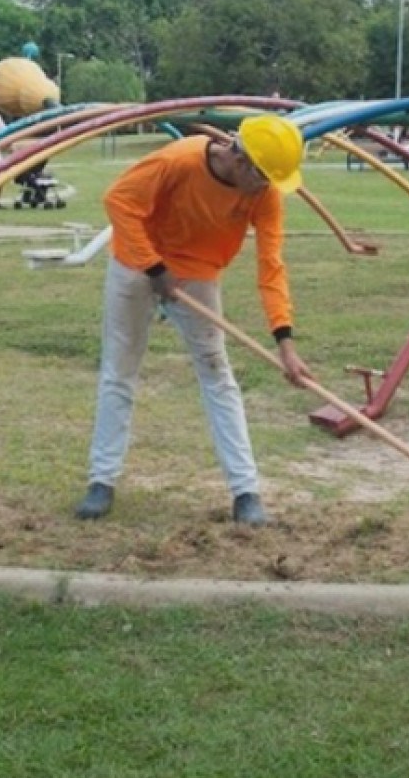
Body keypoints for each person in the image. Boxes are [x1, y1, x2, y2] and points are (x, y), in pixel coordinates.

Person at [75, 114, 313, 527]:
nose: (268, 189)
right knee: (120, 370)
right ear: (241, 162)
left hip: (198, 273)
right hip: (136, 263)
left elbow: (271, 266)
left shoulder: (264, 193)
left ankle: (245, 492)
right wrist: (154, 268)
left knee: (217, 372)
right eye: (264, 178)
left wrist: (285, 342)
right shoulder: (178, 161)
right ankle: (102, 482)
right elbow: (119, 202)